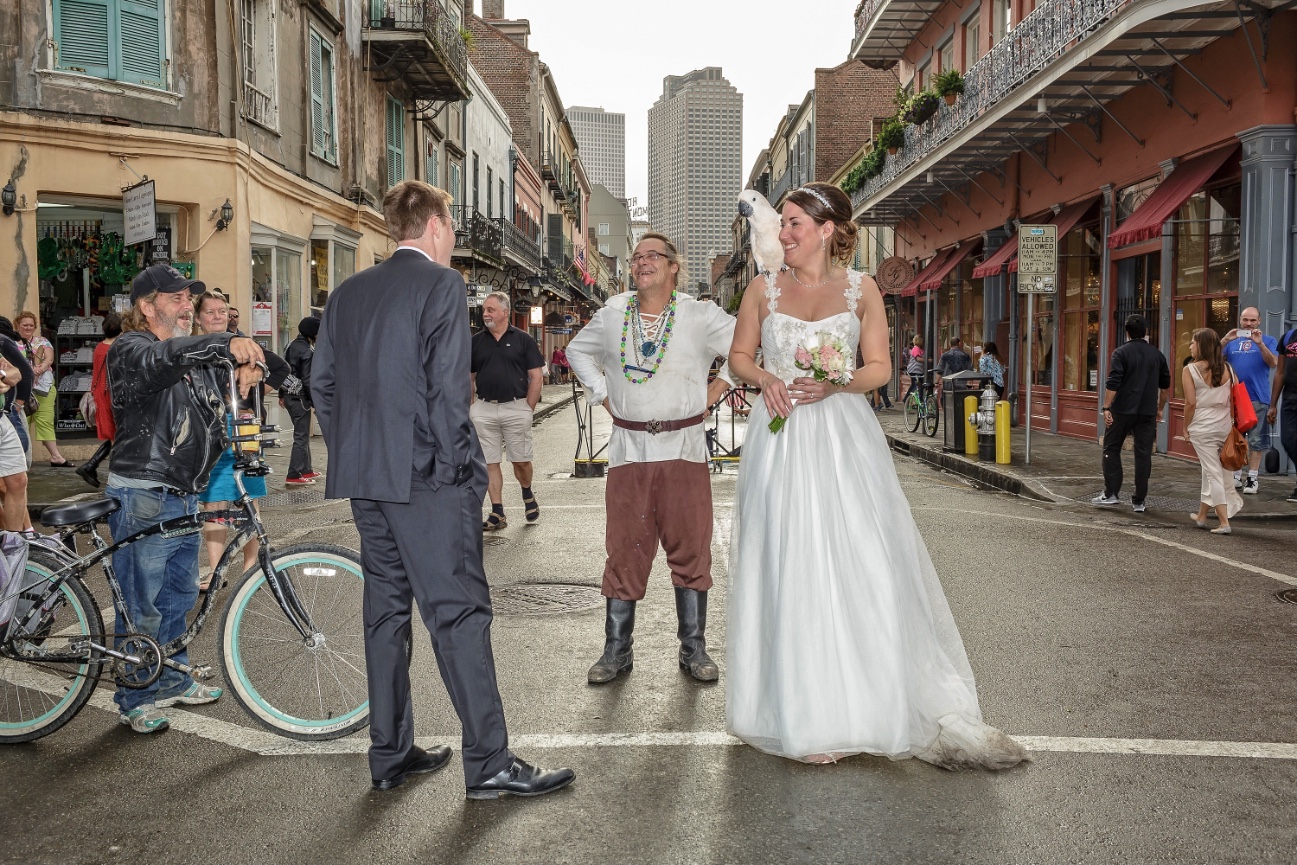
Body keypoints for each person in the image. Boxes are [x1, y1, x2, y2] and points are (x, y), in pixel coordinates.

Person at [724, 182, 1025, 768]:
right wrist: (768, 380)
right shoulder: (762, 289)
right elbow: (738, 358)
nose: (781, 234)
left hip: (843, 439)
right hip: (781, 439)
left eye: (792, 224)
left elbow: (880, 369)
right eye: (781, 223)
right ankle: (796, 708)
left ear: (827, 228)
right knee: (788, 561)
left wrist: (835, 383)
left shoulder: (864, 292)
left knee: (859, 560)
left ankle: (865, 703)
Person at [312, 179, 573, 797]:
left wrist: (355, 449)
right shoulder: (441, 284)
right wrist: (461, 473)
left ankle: (391, 753)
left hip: (367, 478)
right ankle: (489, 763)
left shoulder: (347, 293)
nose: (453, 236)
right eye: (450, 224)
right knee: (458, 615)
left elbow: (321, 384)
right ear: (433, 225)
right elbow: (446, 392)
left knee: (385, 616)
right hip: (428, 481)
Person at [567, 232, 734, 686]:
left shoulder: (699, 314)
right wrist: (602, 394)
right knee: (624, 551)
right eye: (637, 257)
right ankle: (617, 651)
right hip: (628, 452)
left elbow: (744, 344)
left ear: (673, 266)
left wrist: (719, 387)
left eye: (652, 256)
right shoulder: (614, 313)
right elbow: (576, 351)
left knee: (691, 549)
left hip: (684, 449)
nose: (642, 262)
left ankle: (694, 648)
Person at [106, 264, 266, 733]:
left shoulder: (188, 360)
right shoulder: (132, 349)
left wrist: (241, 383)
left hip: (182, 493)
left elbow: (208, 424)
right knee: (141, 601)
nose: (185, 306)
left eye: (186, 298)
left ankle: (172, 680)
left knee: (177, 594)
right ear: (145, 306)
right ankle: (135, 694)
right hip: (143, 491)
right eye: (174, 298)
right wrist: (222, 342)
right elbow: (164, 360)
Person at [190, 290, 298, 590]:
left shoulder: (243, 347)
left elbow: (281, 367)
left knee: (248, 498)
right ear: (198, 319)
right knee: (213, 502)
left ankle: (252, 566)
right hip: (210, 433)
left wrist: (259, 379)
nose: (216, 316)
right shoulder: (191, 349)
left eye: (221, 311)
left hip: (244, 429)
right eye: (209, 312)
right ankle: (216, 571)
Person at [470, 292, 545, 530]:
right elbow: (468, 378)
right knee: (489, 462)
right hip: (484, 409)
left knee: (521, 460)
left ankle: (527, 492)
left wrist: (527, 409)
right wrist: (471, 407)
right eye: (484, 310)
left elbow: (536, 377)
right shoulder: (475, 342)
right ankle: (497, 512)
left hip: (516, 406)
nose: (486, 314)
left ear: (505, 312)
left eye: (491, 309)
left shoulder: (524, 340)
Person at [1093, 315, 1171, 513]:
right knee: (1143, 454)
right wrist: (1160, 409)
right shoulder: (1157, 355)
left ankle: (1111, 493)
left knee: (1111, 448)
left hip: (1121, 410)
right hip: (1146, 411)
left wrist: (1106, 407)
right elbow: (1165, 387)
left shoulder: (1120, 353)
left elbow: (1113, 382)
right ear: (1146, 331)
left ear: (1126, 332)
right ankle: (1139, 500)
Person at [1183, 328, 1242, 534]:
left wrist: (1185, 426)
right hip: (1224, 425)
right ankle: (1201, 516)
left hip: (1202, 426)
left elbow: (1190, 403)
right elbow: (1233, 399)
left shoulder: (1190, 369)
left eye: (1193, 341)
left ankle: (1224, 522)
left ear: (1202, 346)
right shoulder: (1228, 368)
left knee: (1213, 473)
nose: (1190, 345)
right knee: (1211, 472)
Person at [1223, 308, 1278, 494]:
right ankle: (1236, 475)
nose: (1248, 324)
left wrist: (1260, 344)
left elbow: (1273, 363)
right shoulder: (1232, 342)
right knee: (1237, 439)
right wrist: (1225, 339)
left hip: (1257, 397)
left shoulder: (1268, 340)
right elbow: (1212, 360)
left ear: (1259, 321)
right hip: (1234, 398)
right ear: (1240, 320)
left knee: (1257, 440)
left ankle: (1252, 478)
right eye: (1245, 320)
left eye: (1252, 320)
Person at [15, 311, 73, 467]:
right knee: (21, 423)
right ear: (17, 325)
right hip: (20, 389)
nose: (28, 328)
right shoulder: (13, 343)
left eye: (31, 325)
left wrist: (40, 368)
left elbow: (49, 358)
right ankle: (21, 458)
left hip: (43, 388)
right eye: (24, 325)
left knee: (45, 421)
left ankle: (56, 456)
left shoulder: (42, 341)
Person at [77, 312, 122, 488]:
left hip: (100, 395)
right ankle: (114, 479)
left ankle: (90, 466)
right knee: (117, 439)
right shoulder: (116, 349)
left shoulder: (99, 347)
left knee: (114, 436)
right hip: (110, 396)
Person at [0, 328, 33, 533]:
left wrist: (3, 375)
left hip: (2, 419)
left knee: (18, 481)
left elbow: (17, 373)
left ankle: (14, 544)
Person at [283, 316, 322, 485]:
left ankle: (306, 470)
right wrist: (315, 402)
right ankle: (294, 473)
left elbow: (282, 370)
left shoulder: (291, 345)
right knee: (301, 437)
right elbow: (308, 379)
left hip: (289, 396)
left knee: (303, 434)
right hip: (301, 399)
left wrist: (280, 395)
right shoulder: (308, 351)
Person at [1267, 323, 1297, 503]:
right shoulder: (1288, 337)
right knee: (1288, 440)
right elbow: (1280, 373)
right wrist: (1273, 404)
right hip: (1289, 400)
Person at [903, 335, 926, 404]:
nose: (923, 342)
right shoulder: (916, 348)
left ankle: (920, 399)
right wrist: (927, 360)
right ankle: (906, 399)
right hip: (914, 370)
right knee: (915, 384)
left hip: (919, 370)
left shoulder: (919, 349)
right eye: (922, 341)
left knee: (920, 384)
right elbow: (918, 359)